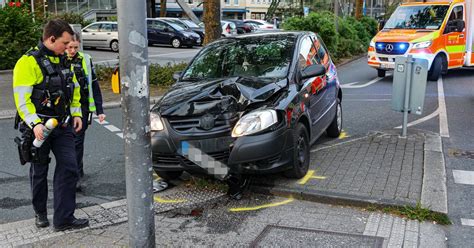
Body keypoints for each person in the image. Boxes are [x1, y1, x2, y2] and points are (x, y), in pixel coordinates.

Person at [12, 19, 89, 231]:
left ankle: (63, 219)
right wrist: (34, 123)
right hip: (38, 128)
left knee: (69, 168)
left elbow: (71, 89)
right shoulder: (27, 62)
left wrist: (76, 113)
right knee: (39, 171)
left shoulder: (63, 60)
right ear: (51, 39)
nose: (68, 48)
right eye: (65, 43)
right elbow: (22, 100)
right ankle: (40, 212)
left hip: (62, 126)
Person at [65, 33, 105, 191]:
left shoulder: (85, 59)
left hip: (82, 108)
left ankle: (77, 175)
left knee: (77, 143)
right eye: (70, 47)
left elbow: (94, 85)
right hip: (64, 108)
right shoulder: (59, 59)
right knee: (66, 143)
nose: (73, 50)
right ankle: (68, 173)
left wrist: (99, 110)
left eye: (76, 47)